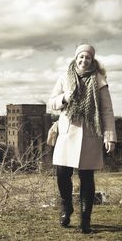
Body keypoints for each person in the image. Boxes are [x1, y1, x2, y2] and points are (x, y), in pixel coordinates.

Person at [48, 44, 117, 234]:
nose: (83, 60)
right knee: (62, 173)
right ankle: (66, 209)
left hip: (90, 134)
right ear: (76, 58)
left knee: (87, 177)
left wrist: (109, 137)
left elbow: (107, 111)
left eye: (87, 57)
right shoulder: (65, 78)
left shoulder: (99, 80)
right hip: (67, 132)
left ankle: (85, 219)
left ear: (92, 60)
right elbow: (51, 102)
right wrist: (65, 98)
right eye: (81, 57)